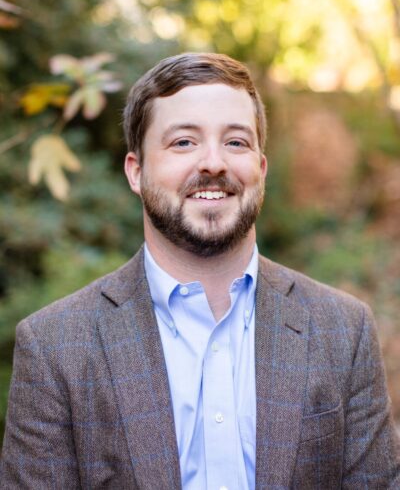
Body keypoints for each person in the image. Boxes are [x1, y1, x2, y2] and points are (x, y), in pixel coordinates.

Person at [1, 52, 399, 490]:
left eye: (235, 142)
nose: (213, 163)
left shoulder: (344, 329)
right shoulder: (55, 347)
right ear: (137, 171)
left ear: (260, 170)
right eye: (184, 142)